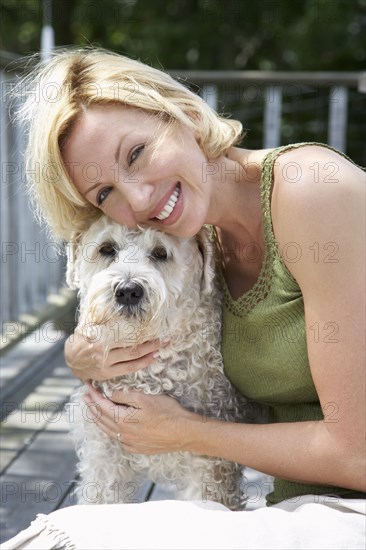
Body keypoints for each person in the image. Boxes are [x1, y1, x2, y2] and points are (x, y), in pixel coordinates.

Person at [5, 47, 365, 549]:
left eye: (136, 154)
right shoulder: (197, 242)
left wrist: (187, 433)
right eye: (105, 194)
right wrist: (80, 355)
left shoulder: (310, 190)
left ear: (186, 113)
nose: (138, 199)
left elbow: (359, 454)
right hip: (292, 505)